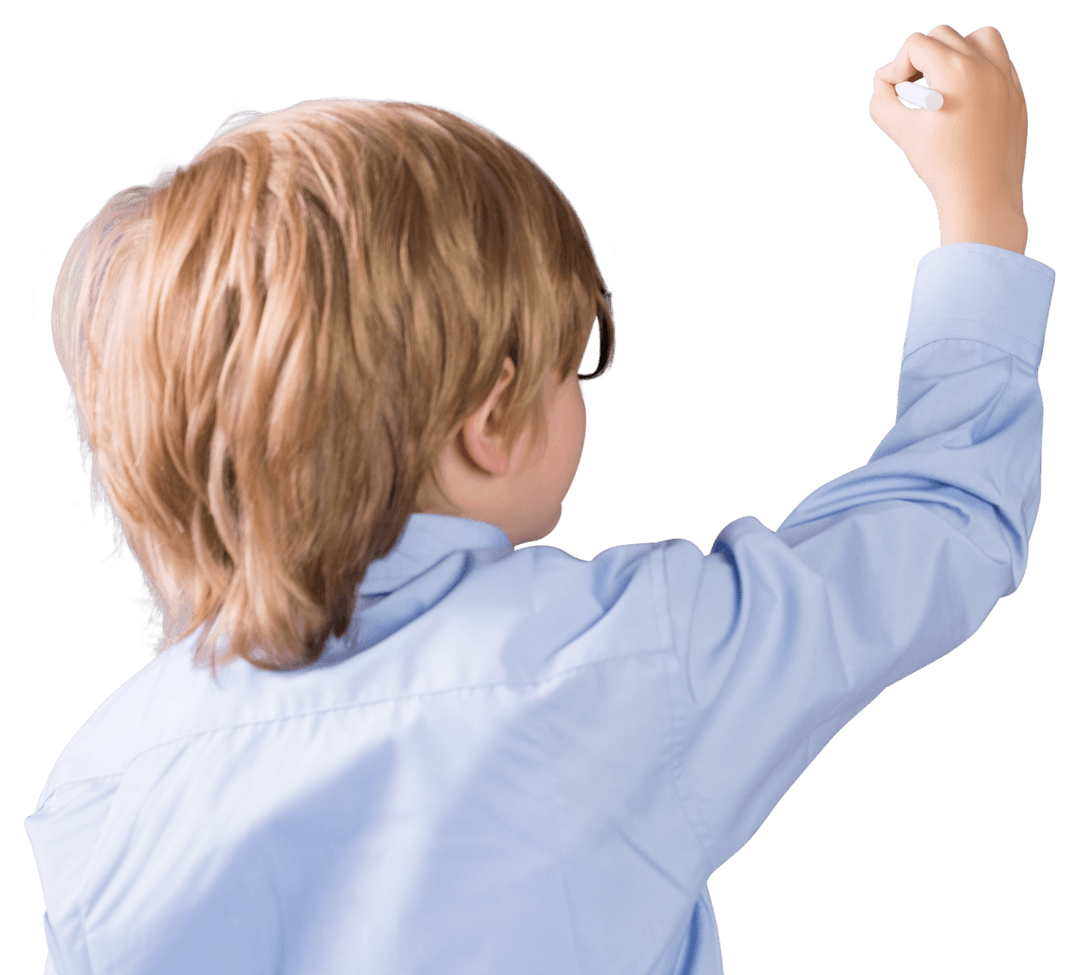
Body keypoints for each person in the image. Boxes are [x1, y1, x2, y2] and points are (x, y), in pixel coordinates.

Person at [25, 24, 1053, 975]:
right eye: (578, 356)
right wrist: (981, 216)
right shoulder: (617, 660)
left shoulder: (100, 784)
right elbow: (942, 524)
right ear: (491, 414)